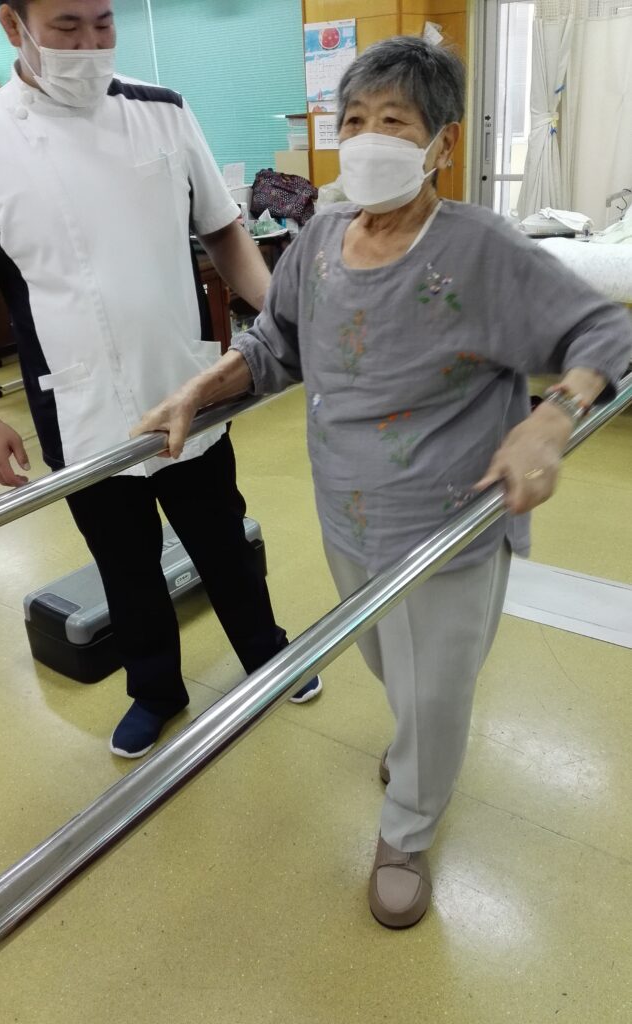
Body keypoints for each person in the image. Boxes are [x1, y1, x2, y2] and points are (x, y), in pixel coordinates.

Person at [134, 37, 632, 928]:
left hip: (448, 527)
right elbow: (277, 343)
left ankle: (408, 827)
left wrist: (553, 416)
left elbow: (607, 332)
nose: (366, 139)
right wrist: (199, 391)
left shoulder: (480, 248)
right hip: (349, 518)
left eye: (392, 121)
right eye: (353, 120)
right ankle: (417, 751)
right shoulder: (322, 238)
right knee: (388, 667)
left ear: (442, 141)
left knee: (434, 692)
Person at [0, 0, 322, 760]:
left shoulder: (162, 111)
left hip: (185, 382)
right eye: (66, 26)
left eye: (103, 23)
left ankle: (266, 652)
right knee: (123, 560)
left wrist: (286, 322)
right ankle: (155, 689)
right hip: (77, 402)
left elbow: (224, 230)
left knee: (221, 534)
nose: (89, 43)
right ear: (13, 26)